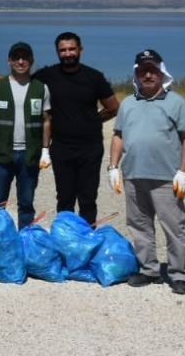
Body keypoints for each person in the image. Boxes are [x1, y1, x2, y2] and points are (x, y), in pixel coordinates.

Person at [108, 49, 185, 295]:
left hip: (167, 178)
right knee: (139, 224)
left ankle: (179, 274)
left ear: (161, 72)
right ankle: (149, 269)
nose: (148, 74)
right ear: (136, 73)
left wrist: (184, 172)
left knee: (173, 227)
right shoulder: (127, 103)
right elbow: (118, 136)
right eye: (142, 70)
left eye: (152, 70)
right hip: (133, 176)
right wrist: (113, 167)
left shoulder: (177, 102)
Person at [32, 32, 119, 224]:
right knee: (64, 199)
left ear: (80, 49)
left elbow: (113, 107)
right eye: (63, 50)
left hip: (90, 147)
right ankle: (66, 240)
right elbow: (20, 82)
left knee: (88, 199)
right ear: (57, 52)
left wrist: (94, 120)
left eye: (71, 49)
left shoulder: (94, 77)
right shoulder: (47, 75)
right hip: (62, 147)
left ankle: (86, 241)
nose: (67, 53)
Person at [0, 42, 50, 229]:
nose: (21, 62)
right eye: (16, 58)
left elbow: (46, 120)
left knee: (26, 203)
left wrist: (45, 150)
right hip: (2, 154)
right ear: (9, 61)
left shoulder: (40, 88)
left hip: (29, 155)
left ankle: (25, 239)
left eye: (25, 58)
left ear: (31, 61)